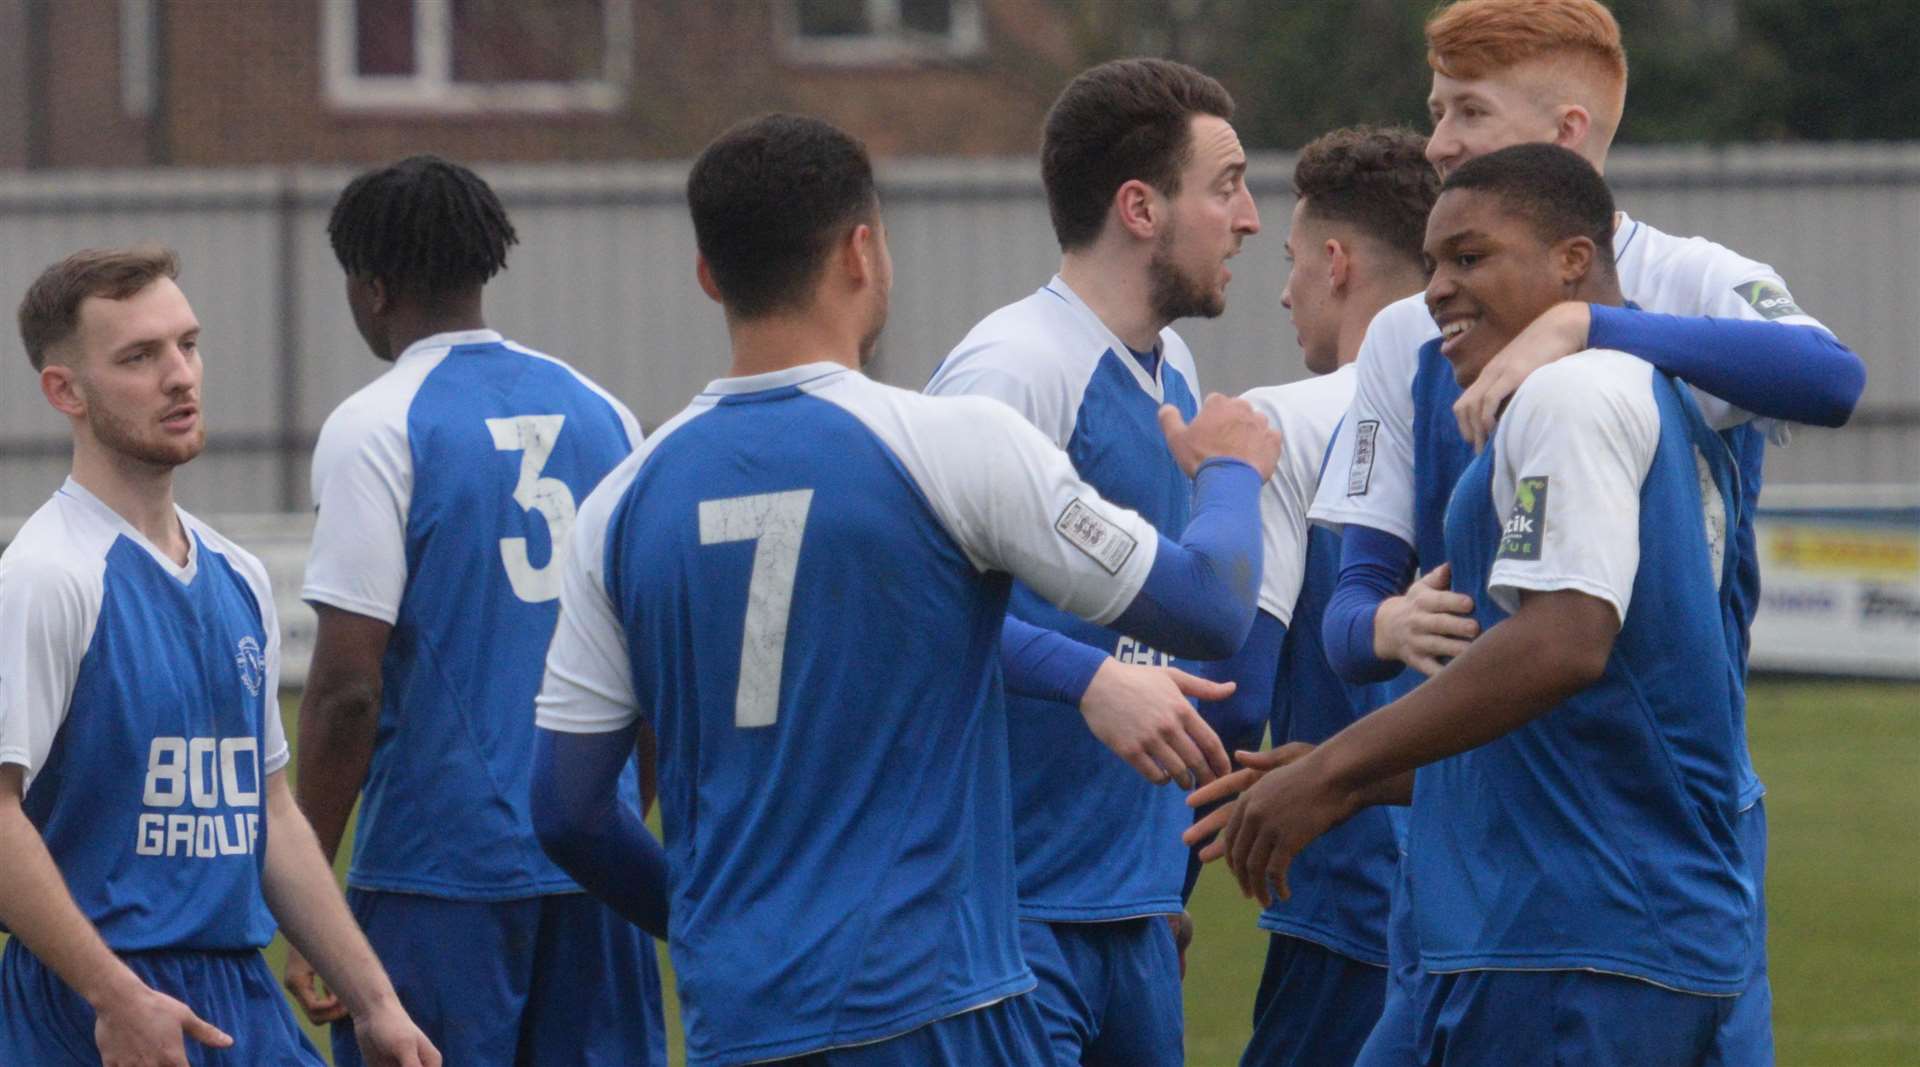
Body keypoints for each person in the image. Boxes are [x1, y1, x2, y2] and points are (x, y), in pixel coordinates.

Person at [528, 113, 1280, 1067]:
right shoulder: (950, 443)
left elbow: (565, 808)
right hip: (936, 1007)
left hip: (743, 1022)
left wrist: (709, 923)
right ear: (863, 251)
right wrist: (1230, 471)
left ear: (709, 276)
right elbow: (1211, 602)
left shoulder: (621, 501)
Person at [1303, 3, 1863, 1061]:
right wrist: (1381, 625)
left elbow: (1831, 378)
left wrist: (1587, 323)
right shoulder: (1407, 327)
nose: (1438, 142)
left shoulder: (1685, 278)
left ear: (1566, 131)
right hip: (1467, 823)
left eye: (1467, 110)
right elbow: (1346, 606)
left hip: (1667, 818)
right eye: (1433, 110)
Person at [1197, 142, 1769, 1065]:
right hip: (1572, 931)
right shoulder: (1609, 392)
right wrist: (1363, 777)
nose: (1435, 290)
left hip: (1577, 940)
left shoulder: (1572, 395)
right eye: (1430, 266)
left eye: (1470, 258)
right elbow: (1587, 726)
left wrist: (1337, 769)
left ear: (1572, 263)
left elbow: (1563, 644)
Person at [0, 246, 438, 1067]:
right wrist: (113, 993)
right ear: (66, 392)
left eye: (187, 344)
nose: (179, 375)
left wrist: (378, 1001)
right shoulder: (47, 576)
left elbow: (269, 811)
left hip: (238, 995)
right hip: (95, 1006)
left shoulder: (234, 573)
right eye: (138, 356)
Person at [287, 157, 663, 1066]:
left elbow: (344, 690)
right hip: (591, 867)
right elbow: (651, 659)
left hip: (435, 872)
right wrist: (614, 820)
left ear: (369, 288)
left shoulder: (377, 424)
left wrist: (309, 906)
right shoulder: (607, 414)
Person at [923, 56, 1261, 1063]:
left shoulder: (1175, 366)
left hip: (1133, 911)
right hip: (1011, 911)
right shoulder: (1014, 368)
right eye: (1226, 184)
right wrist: (1085, 681)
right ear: (1140, 208)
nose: (1248, 217)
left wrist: (1153, 891)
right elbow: (909, 610)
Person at [1193, 126, 1435, 1067]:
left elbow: (1236, 697)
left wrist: (1149, 900)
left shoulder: (1284, 422)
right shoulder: (1502, 398)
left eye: (1293, 262)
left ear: (1336, 264)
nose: (1285, 289)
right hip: (1491, 899)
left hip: (1345, 903)